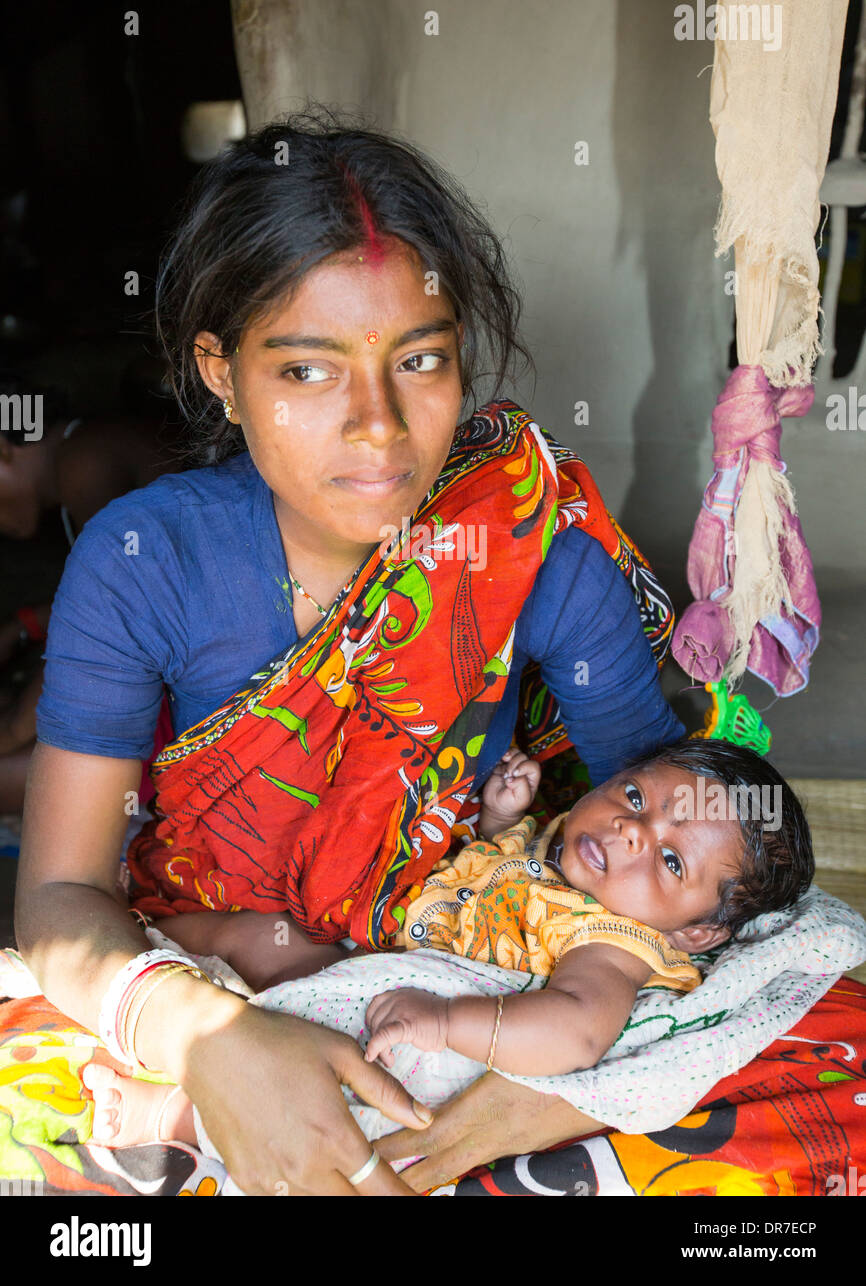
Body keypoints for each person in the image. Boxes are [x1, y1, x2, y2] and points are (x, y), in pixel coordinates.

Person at [11, 103, 685, 1197]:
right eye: (310, 372)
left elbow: (674, 855)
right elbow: (56, 897)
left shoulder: (532, 547)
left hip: (461, 983)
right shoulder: (146, 559)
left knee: (821, 1064)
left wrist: (557, 1066)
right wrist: (214, 1042)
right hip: (199, 971)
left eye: (418, 359)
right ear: (221, 373)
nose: (378, 426)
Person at [79, 735, 814, 1184]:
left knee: (342, 1079)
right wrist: (498, 821)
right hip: (387, 954)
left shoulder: (614, 943)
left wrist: (447, 1021)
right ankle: (145, 940)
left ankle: (166, 1114)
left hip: (422, 1015)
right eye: (635, 796)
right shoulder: (565, 850)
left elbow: (574, 1030)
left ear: (692, 935)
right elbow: (497, 876)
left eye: (670, 862)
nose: (629, 831)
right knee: (259, 931)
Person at [0, 380, 183, 812]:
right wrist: (21, 627)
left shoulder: (84, 462)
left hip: (203, 706)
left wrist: (11, 730)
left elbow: (105, 627)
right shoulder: (86, 456)